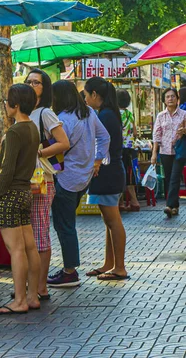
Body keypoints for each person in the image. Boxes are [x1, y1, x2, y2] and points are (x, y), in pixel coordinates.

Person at [47, 80, 110, 288]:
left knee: (64, 226)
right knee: (67, 224)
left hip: (65, 179)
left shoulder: (63, 119)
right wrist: (97, 159)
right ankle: (69, 268)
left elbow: (58, 149)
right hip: (84, 178)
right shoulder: (89, 113)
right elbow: (105, 136)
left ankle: (70, 272)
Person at [0, 83, 41, 315]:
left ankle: (19, 300)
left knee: (17, 250)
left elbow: (7, 170)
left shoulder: (14, 132)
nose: (5, 104)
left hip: (10, 193)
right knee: (30, 247)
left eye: (7, 100)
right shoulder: (33, 129)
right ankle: (32, 296)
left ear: (16, 104)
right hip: (24, 193)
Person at [24, 69, 70, 299]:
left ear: (45, 88)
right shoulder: (23, 113)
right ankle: (33, 284)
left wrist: (40, 151)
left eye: (37, 82)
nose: (32, 85)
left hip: (42, 180)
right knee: (29, 233)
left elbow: (64, 143)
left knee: (40, 232)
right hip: (24, 181)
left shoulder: (45, 114)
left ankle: (40, 287)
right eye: (28, 81)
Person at [84, 77, 129, 281]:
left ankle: (119, 267)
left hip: (108, 173)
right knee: (108, 220)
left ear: (94, 95)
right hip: (110, 172)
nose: (84, 99)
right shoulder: (107, 113)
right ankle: (109, 263)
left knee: (113, 219)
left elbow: (101, 145)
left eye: (86, 95)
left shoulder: (106, 115)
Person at [151, 87, 186, 218]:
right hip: (165, 151)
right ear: (164, 100)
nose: (170, 99)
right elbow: (157, 135)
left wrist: (184, 131)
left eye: (173, 96)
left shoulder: (184, 114)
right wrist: (154, 153)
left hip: (179, 151)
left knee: (175, 177)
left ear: (177, 99)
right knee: (169, 178)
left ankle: (169, 205)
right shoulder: (161, 116)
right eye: (168, 97)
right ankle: (175, 206)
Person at [116, 89, 140, 212]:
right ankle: (135, 202)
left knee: (120, 175)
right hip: (131, 149)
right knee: (130, 175)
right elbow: (135, 133)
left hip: (120, 149)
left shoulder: (114, 114)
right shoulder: (130, 114)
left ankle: (120, 203)